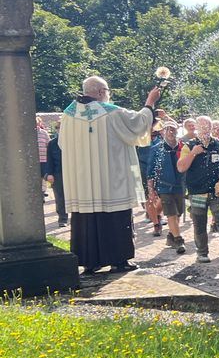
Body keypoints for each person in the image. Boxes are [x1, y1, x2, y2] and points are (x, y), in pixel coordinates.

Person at [59, 76, 161, 273]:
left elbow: (63, 144)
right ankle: (118, 260)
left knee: (86, 220)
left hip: (83, 182)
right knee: (115, 217)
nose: (108, 95)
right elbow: (139, 124)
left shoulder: (68, 115)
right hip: (111, 178)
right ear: (99, 92)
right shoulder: (111, 113)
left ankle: (90, 262)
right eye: (107, 91)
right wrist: (150, 102)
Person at [176, 116, 219, 265]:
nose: (205, 129)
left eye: (208, 126)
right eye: (202, 126)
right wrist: (193, 153)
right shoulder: (189, 145)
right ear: (197, 128)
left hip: (217, 191)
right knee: (199, 222)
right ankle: (202, 253)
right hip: (197, 192)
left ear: (211, 128)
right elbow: (181, 167)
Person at [148, 120, 187, 254]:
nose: (170, 132)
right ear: (162, 132)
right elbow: (150, 170)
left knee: (179, 212)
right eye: (167, 129)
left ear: (177, 131)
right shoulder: (157, 148)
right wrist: (151, 189)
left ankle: (171, 235)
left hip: (179, 186)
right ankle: (178, 240)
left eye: (173, 129)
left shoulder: (183, 147)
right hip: (164, 186)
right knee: (171, 213)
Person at [44, 122, 68, 227]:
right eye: (58, 128)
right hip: (58, 173)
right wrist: (50, 174)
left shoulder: (72, 141)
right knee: (60, 197)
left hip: (72, 173)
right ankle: (62, 219)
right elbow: (49, 160)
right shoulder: (52, 143)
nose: (60, 129)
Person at [36, 117, 49, 199]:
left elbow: (48, 144)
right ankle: (38, 193)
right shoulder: (28, 134)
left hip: (44, 159)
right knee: (36, 178)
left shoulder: (44, 133)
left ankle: (43, 192)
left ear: (40, 123)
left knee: (44, 177)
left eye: (37, 122)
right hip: (34, 161)